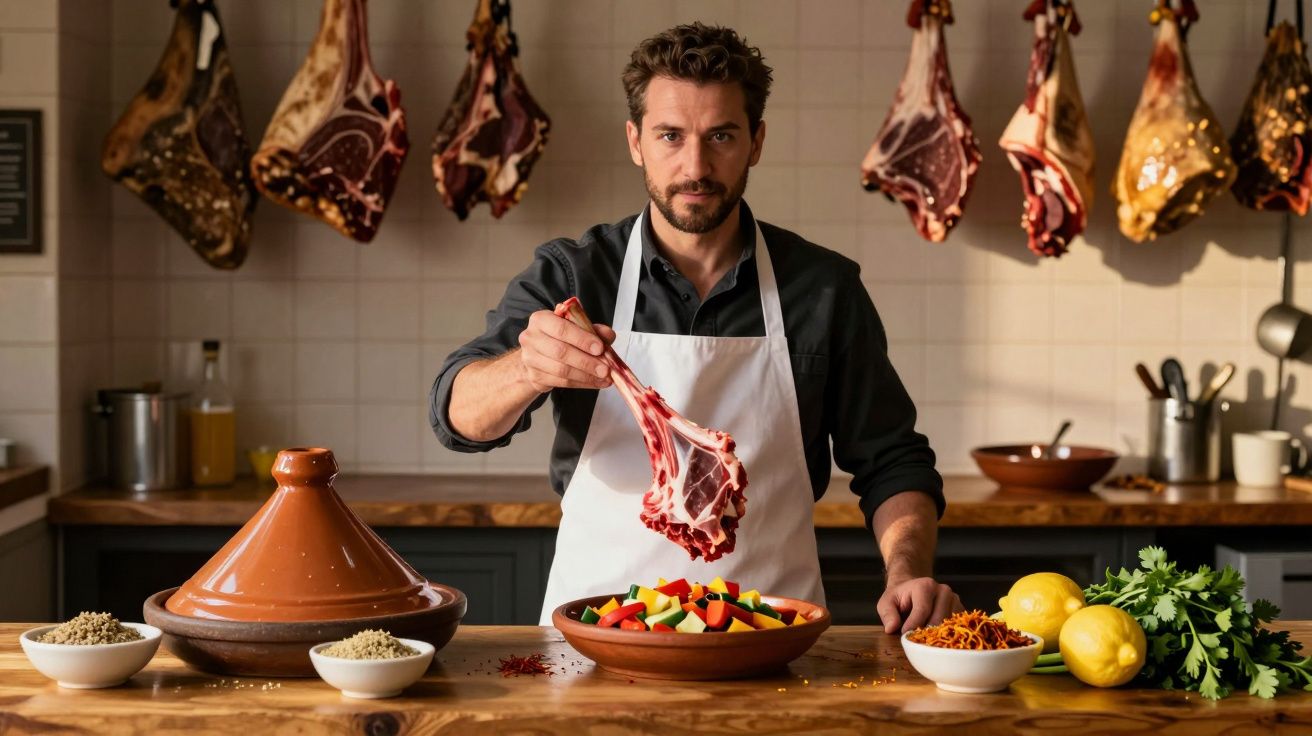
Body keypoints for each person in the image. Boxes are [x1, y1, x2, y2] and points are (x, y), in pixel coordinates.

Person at [429, 23, 961, 631]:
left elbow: (893, 460)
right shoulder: (575, 274)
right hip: (598, 639)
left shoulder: (822, 288)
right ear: (635, 141)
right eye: (670, 136)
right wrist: (527, 367)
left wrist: (905, 570)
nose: (696, 165)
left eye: (722, 136)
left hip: (769, 636)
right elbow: (455, 417)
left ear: (756, 142)